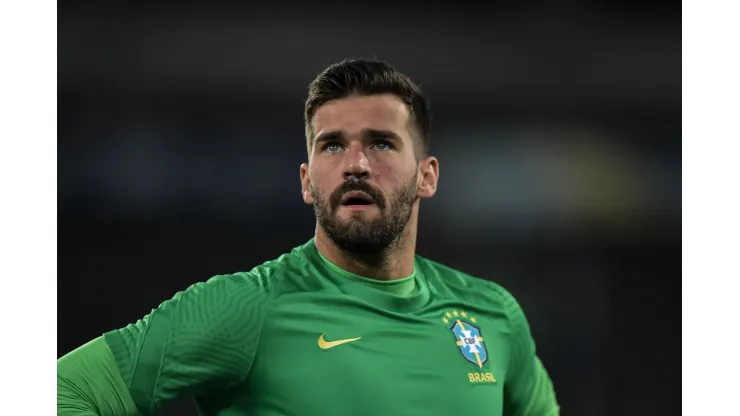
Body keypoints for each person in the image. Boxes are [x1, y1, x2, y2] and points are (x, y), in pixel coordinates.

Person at [57, 59, 560, 416]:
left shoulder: (491, 315)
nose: (356, 165)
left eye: (381, 143)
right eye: (332, 146)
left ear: (427, 176)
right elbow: (61, 393)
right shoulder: (246, 310)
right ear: (306, 180)